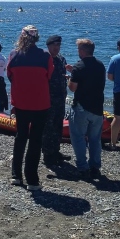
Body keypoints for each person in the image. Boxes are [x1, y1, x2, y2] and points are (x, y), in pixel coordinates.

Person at [6, 25, 53, 191]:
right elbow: (49, 75)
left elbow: (10, 75)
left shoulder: (14, 55)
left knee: (20, 137)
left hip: (21, 103)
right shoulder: (45, 56)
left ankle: (16, 176)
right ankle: (32, 179)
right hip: (40, 103)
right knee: (35, 140)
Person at [68, 38, 106, 180]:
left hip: (82, 107)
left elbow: (72, 88)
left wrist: (69, 78)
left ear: (82, 51)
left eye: (79, 50)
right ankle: (95, 166)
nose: (78, 52)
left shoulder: (79, 66)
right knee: (95, 139)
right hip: (97, 107)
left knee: (78, 137)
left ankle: (83, 167)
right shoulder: (100, 65)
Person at [42, 34, 69, 166]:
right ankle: (48, 154)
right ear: (48, 46)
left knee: (58, 125)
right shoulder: (44, 59)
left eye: (58, 45)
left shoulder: (61, 59)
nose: (57, 48)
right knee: (48, 127)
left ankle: (56, 151)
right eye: (54, 45)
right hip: (48, 98)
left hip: (60, 97)